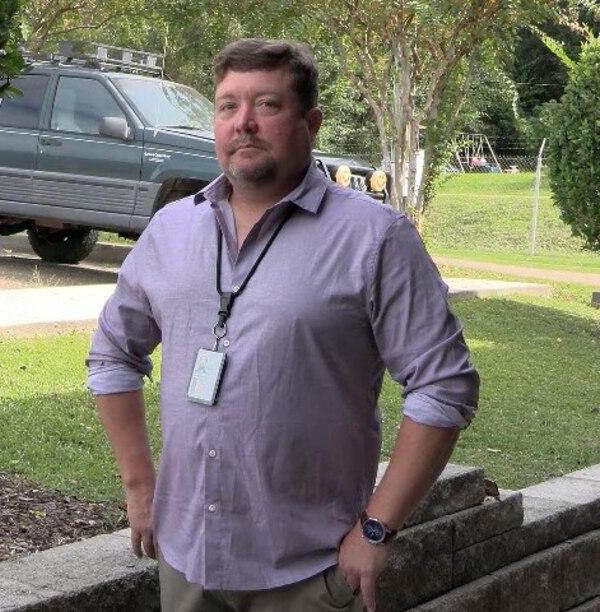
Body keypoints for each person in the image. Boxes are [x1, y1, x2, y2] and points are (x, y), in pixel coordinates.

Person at [87, 38, 479, 612]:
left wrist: (377, 529)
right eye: (227, 107)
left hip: (308, 572)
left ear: (309, 121)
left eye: (266, 105)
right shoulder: (171, 231)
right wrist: (140, 487)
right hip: (186, 563)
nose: (243, 123)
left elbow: (443, 386)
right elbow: (112, 355)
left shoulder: (374, 239)